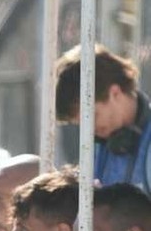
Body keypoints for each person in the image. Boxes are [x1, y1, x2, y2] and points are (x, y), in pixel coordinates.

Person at [54, 44, 151, 195]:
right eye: (81, 124)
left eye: (93, 116)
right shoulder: (99, 145)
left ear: (115, 93)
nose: (90, 129)